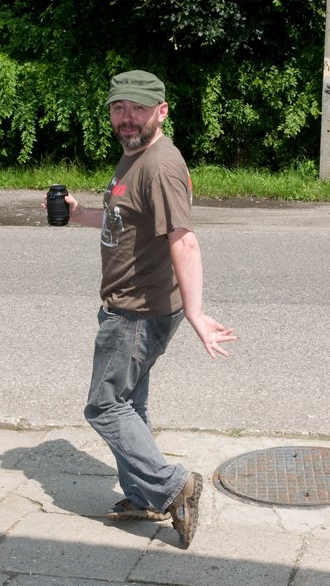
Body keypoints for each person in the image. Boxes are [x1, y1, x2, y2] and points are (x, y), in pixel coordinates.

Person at [47, 70, 237, 548]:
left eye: (138, 108)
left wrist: (196, 313)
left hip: (137, 311)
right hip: (132, 305)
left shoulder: (160, 165)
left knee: (105, 405)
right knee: (130, 404)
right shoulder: (135, 155)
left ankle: (173, 486)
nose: (127, 118)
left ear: (161, 111)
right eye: (119, 108)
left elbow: (184, 240)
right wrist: (79, 214)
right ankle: (143, 494)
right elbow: (121, 218)